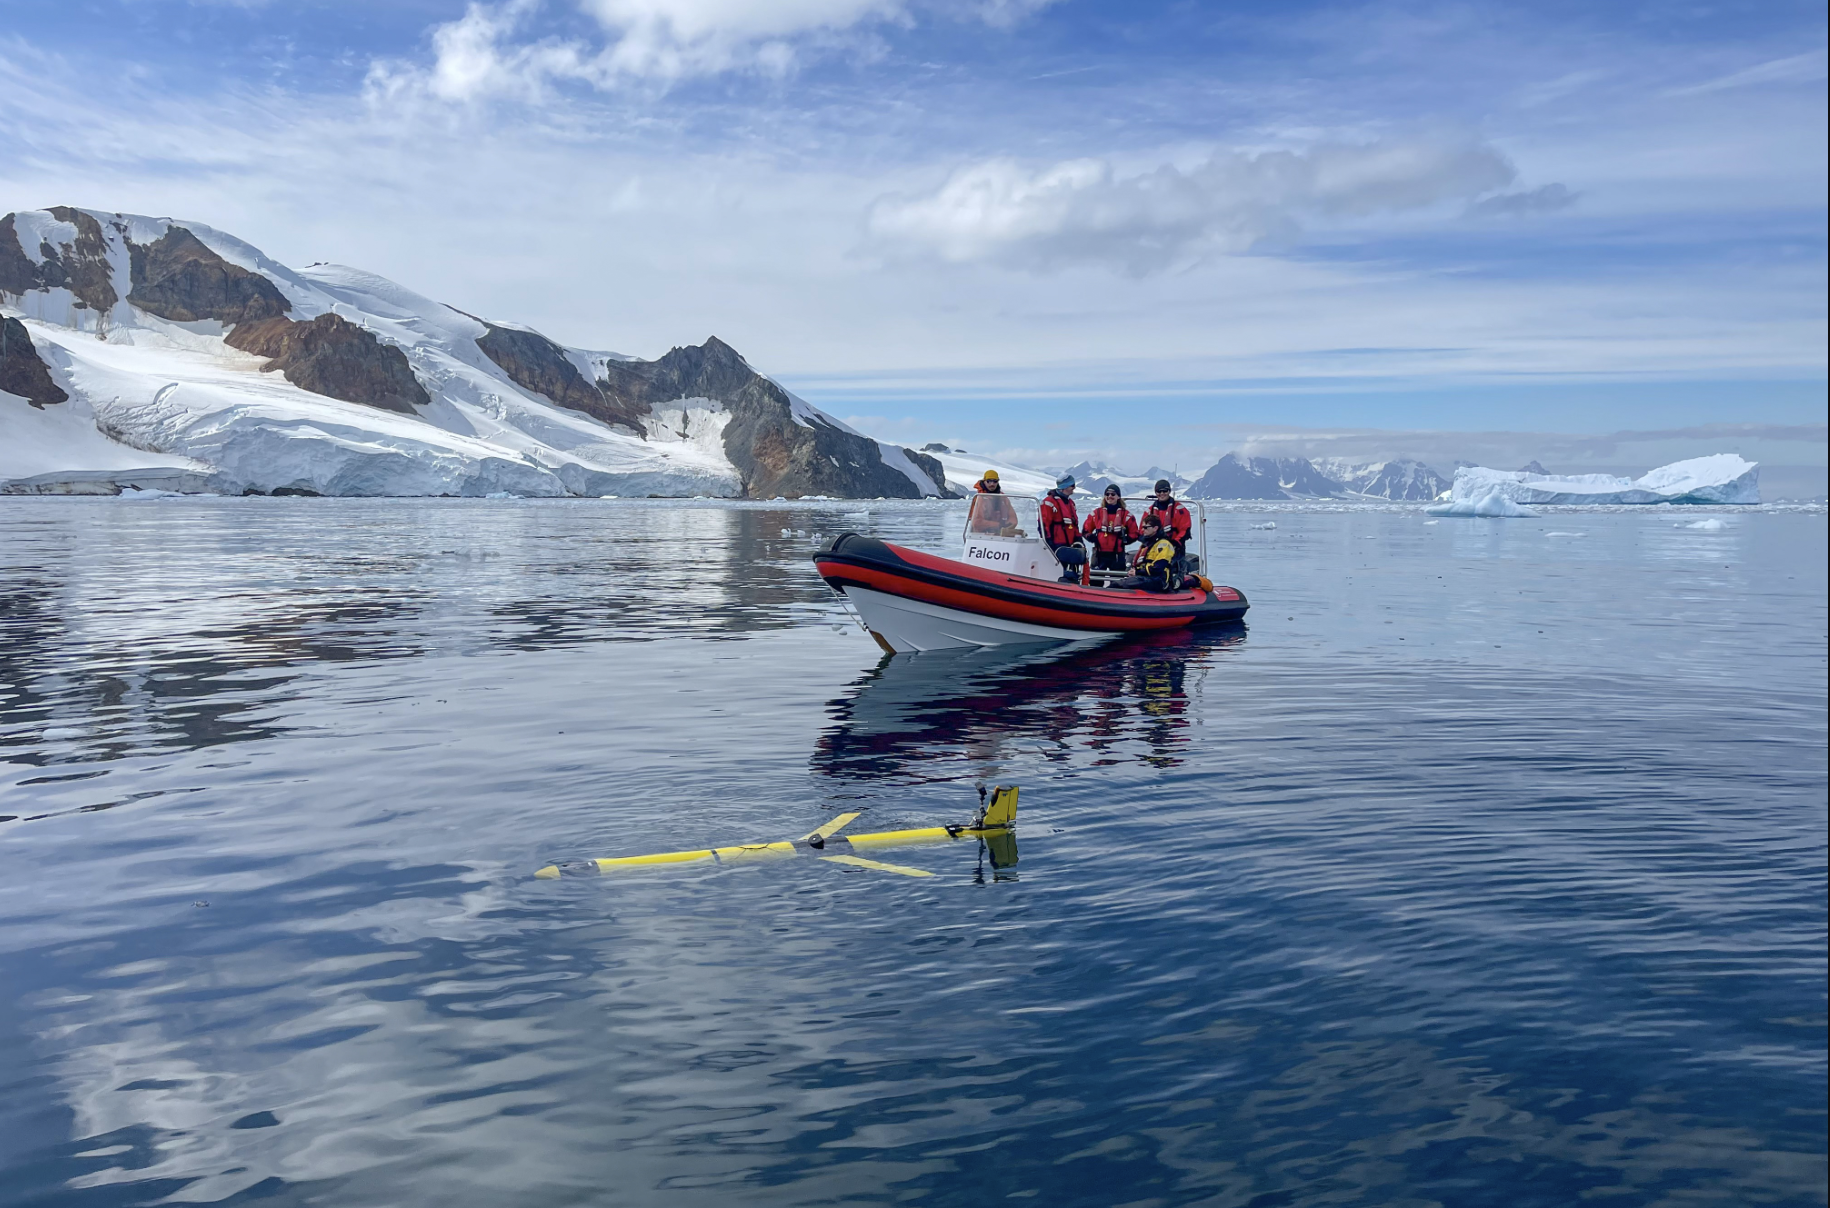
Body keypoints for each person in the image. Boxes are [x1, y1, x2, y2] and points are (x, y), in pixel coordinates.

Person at [1082, 485, 1138, 577]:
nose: (1110, 496)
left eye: (1113, 494)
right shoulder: (1096, 514)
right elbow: (1085, 530)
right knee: (1095, 580)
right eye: (1107, 494)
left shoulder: (1126, 515)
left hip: (1117, 555)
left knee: (1117, 581)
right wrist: (1092, 538)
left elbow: (1134, 534)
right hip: (1099, 554)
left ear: (1118, 497)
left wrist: (1124, 540)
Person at [1038, 473, 1085, 584]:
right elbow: (1044, 526)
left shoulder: (1071, 504)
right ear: (1065, 487)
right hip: (1056, 546)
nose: (1074, 488)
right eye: (1072, 485)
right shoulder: (1049, 503)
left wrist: (1079, 541)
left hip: (1070, 546)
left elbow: (1074, 525)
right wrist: (1049, 545)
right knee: (1059, 573)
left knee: (1073, 573)